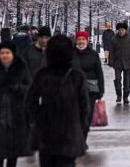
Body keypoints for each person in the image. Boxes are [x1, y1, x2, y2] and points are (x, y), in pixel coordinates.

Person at [26, 35, 89, 167]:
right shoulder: (76, 76)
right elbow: (84, 106)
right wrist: (80, 127)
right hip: (69, 131)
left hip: (46, 132)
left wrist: (38, 118)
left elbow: (30, 101)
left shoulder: (42, 74)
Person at [72, 30, 104, 139]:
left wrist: (101, 89)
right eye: (79, 39)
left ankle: (83, 136)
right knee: (76, 114)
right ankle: (77, 136)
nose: (81, 41)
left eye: (83, 39)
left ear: (87, 41)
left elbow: (99, 72)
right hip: (74, 88)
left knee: (88, 114)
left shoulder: (93, 54)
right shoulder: (71, 54)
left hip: (90, 89)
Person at [109, 22, 130, 104]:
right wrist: (111, 61)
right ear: (117, 30)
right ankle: (118, 95)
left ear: (125, 30)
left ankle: (125, 96)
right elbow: (111, 51)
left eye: (123, 30)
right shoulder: (114, 39)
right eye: (119, 30)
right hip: (117, 63)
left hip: (127, 62)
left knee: (127, 80)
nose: (121, 31)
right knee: (118, 79)